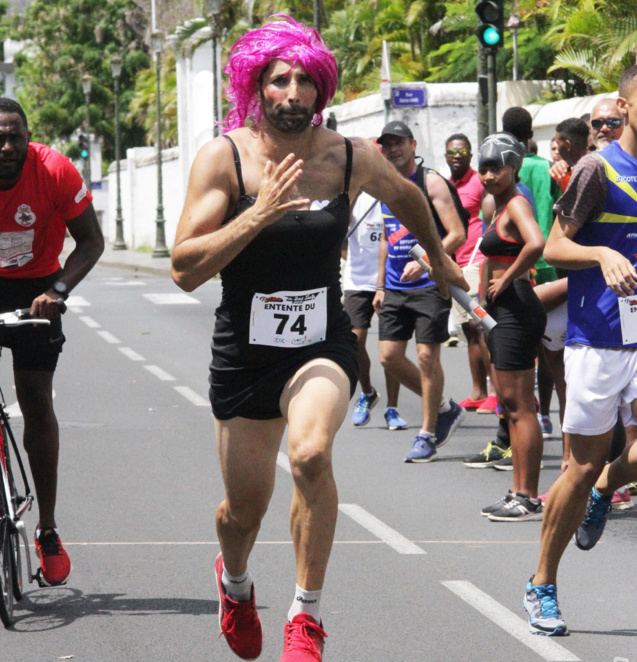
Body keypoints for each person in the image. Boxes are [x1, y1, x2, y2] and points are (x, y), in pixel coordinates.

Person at [170, 17, 467, 662]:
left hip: (321, 343)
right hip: (246, 354)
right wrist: (257, 215)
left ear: (321, 89)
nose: (295, 92)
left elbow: (407, 194)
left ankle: (305, 614)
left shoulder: (348, 155)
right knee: (240, 515)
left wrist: (440, 258)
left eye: (307, 80)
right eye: (281, 79)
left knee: (309, 456)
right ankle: (236, 581)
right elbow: (185, 268)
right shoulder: (225, 158)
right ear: (258, 85)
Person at [523, 65, 637, 636]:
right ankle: (542, 582)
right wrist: (601, 256)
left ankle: (605, 485)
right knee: (582, 461)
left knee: (609, 466)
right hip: (598, 339)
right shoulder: (598, 167)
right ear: (625, 103)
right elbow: (556, 243)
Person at [0, 98, 104, 586]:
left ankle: (46, 528)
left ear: (28, 135)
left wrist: (57, 291)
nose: (5, 146)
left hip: (36, 288)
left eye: (15, 135)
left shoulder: (54, 170)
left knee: (37, 402)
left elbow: (91, 241)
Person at [372, 121, 466, 463]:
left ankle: (426, 434)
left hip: (430, 283)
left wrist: (427, 260)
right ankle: (442, 407)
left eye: (399, 143)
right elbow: (386, 236)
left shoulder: (431, 182)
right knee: (389, 357)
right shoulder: (386, 185)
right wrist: (380, 285)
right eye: (387, 144)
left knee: (428, 357)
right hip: (395, 287)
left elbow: (456, 233)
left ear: (413, 145)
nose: (393, 149)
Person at [475, 132, 547, 522]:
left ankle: (528, 495)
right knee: (509, 405)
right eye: (483, 168)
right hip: (503, 310)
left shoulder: (516, 203)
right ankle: (517, 490)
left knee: (520, 407)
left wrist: (506, 280)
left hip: (517, 307)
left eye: (496, 168)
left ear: (513, 167)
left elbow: (536, 243)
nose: (488, 175)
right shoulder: (497, 205)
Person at [503, 107, 562, 440]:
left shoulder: (505, 171)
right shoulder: (547, 169)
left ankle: (522, 416)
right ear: (530, 134)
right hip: (549, 262)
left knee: (518, 345)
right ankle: (545, 414)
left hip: (517, 266)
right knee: (549, 346)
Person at [344, 162, 406, 430]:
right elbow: (339, 231)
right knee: (354, 341)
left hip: (389, 281)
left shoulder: (391, 195)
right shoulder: (352, 196)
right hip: (357, 281)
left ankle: (392, 408)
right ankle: (367, 393)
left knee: (389, 348)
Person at [444, 133, 496, 413]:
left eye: (462, 153)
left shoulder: (480, 181)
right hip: (456, 264)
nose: (456, 157)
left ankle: (496, 392)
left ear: (470, 155)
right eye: (451, 152)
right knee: (468, 329)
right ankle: (478, 392)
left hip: (477, 261)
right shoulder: (445, 184)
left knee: (481, 326)